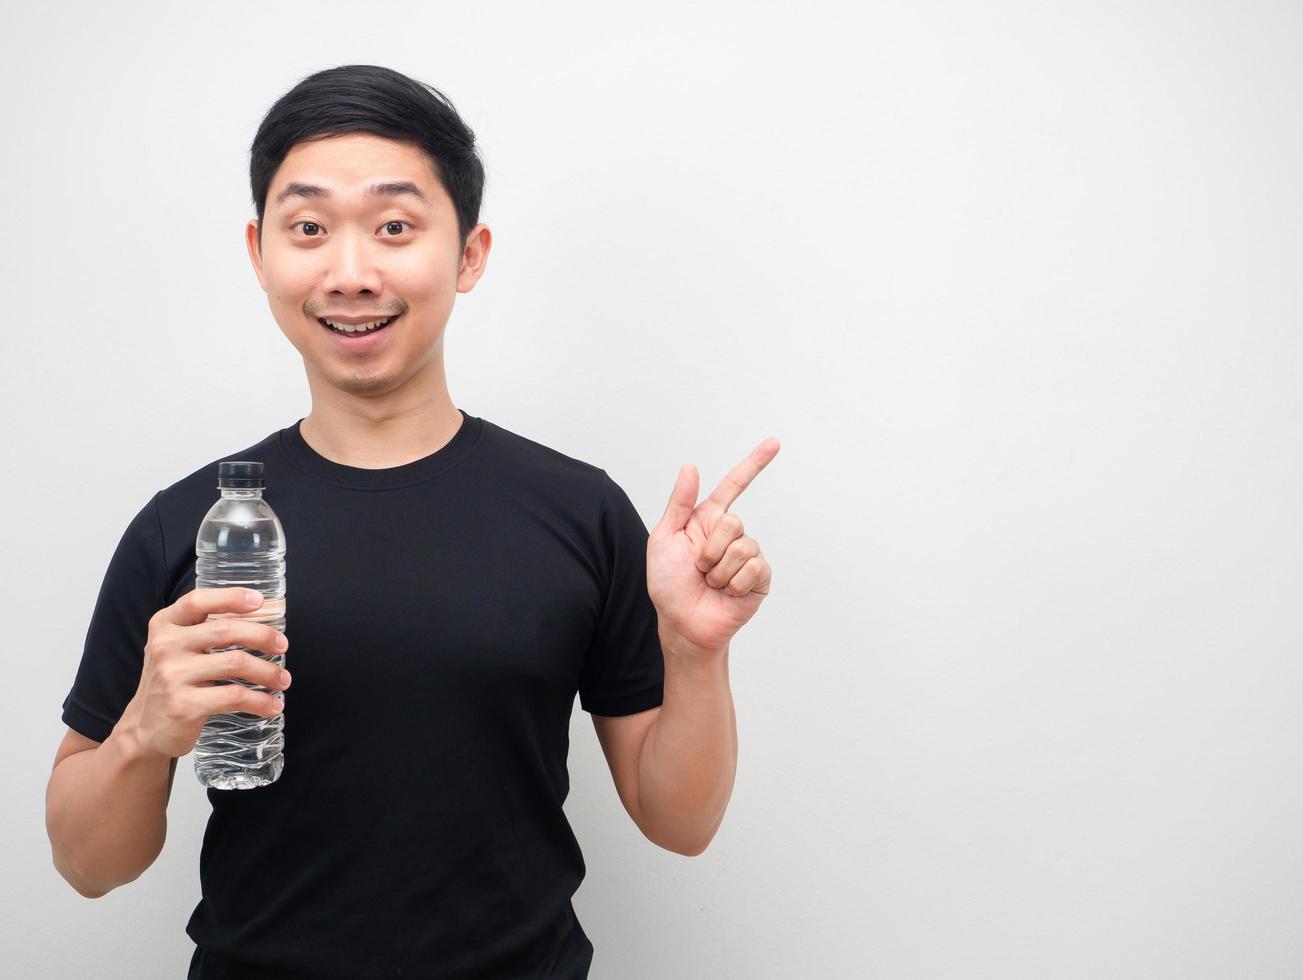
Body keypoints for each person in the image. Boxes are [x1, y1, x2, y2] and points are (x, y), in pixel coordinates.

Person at [45, 64, 778, 979]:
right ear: (259, 252)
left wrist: (696, 651)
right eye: (308, 228)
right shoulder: (191, 528)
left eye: (395, 227)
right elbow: (87, 865)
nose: (351, 273)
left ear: (468, 254)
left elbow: (680, 822)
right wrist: (143, 733)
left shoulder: (580, 511)